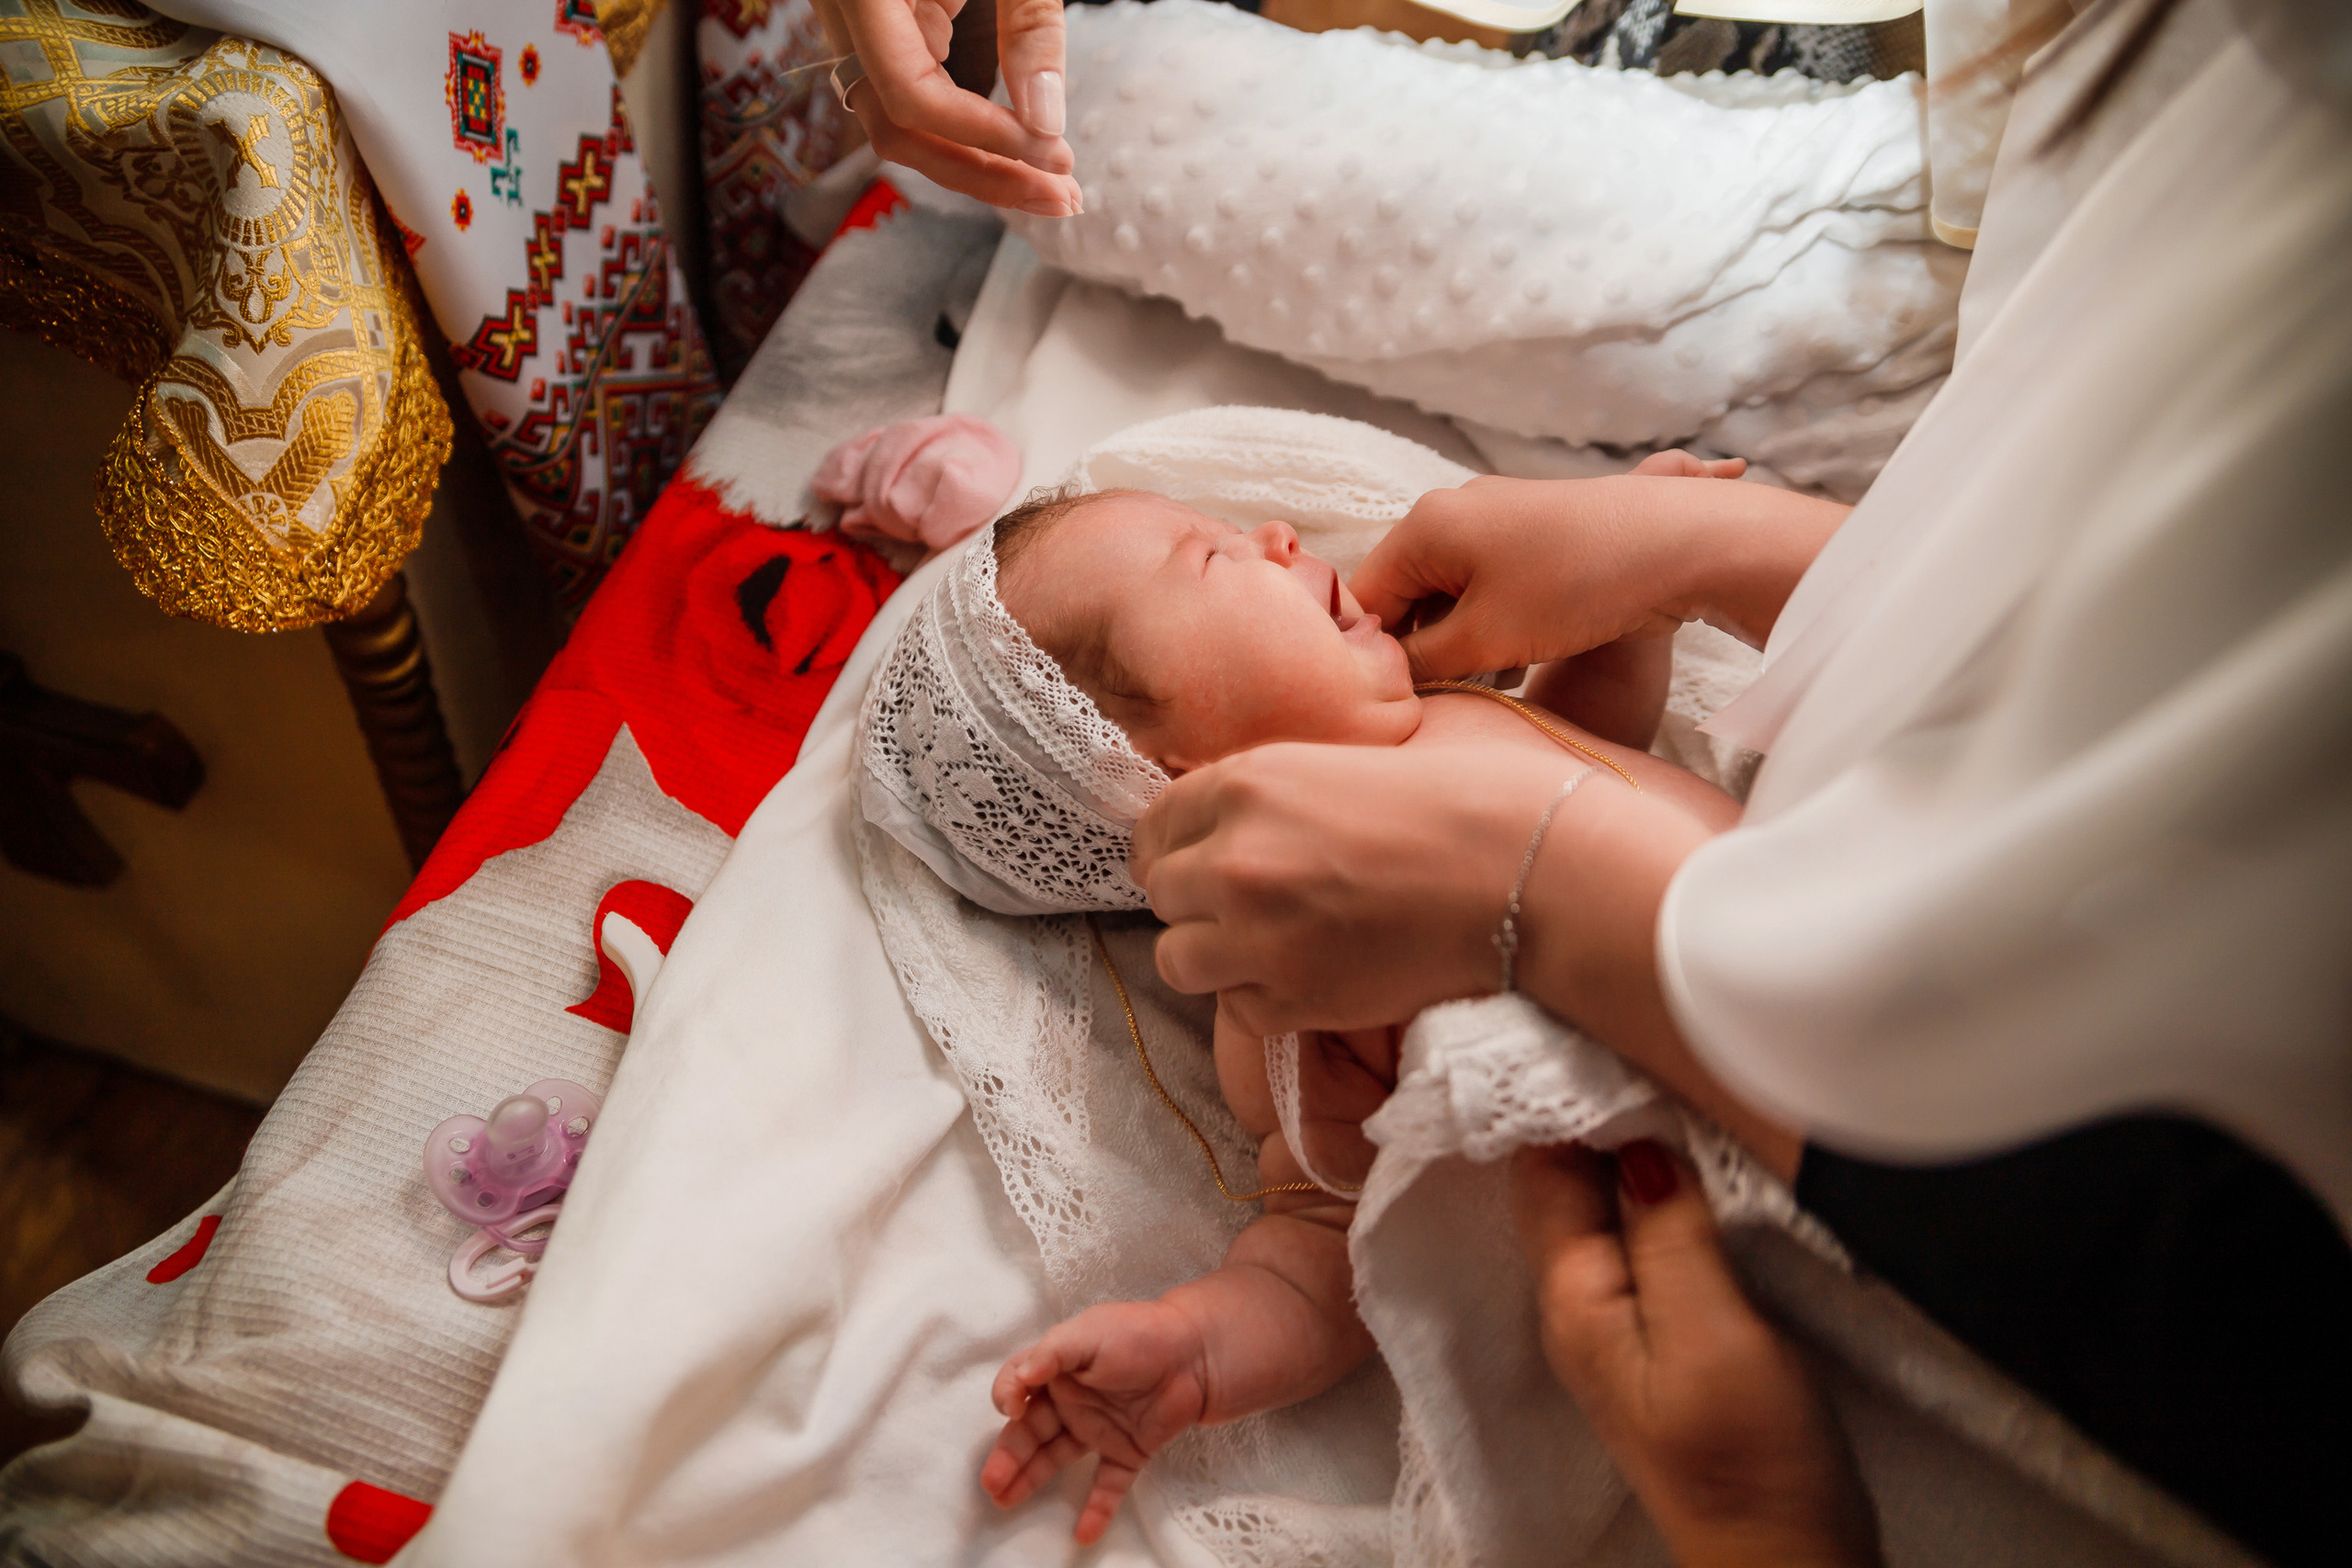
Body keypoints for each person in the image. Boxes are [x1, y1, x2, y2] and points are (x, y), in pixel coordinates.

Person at [1124, 0, 2352, 1562]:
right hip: (1702, 1213)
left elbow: (1611, 746)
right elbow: (1312, 1226)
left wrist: (1644, 606)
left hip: (1942, 1139)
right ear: (1156, 774)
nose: (1279, 535)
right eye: (1207, 560)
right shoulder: (1272, 970)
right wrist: (1213, 1342)